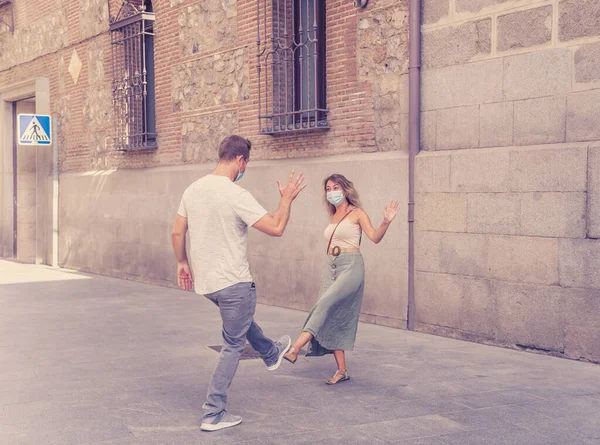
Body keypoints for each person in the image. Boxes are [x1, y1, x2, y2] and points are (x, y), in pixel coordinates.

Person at [171, 135, 306, 431]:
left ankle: (271, 353)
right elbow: (276, 227)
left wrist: (182, 262)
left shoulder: (193, 189)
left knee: (240, 320)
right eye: (247, 163)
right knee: (233, 344)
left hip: (208, 284)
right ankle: (213, 412)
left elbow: (177, 233)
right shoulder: (235, 193)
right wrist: (286, 200)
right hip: (234, 282)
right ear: (240, 160)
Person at [283, 173, 399, 384]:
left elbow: (374, 237)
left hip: (351, 265)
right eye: (328, 189)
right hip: (331, 266)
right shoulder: (333, 216)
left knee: (324, 304)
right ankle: (342, 370)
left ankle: (295, 348)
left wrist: (386, 222)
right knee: (331, 313)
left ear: (345, 190)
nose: (331, 192)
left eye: (336, 187)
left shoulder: (357, 213)